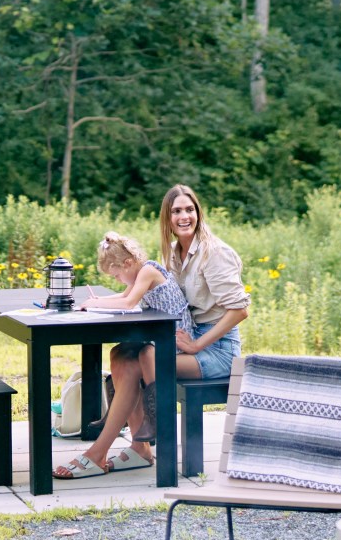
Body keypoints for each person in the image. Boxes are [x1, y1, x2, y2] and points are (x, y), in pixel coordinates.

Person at [53, 232, 193, 478]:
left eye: (116, 275)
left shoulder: (148, 271)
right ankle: (139, 447)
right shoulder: (139, 274)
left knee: (127, 355)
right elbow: (123, 296)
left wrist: (94, 305)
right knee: (119, 352)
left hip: (175, 340)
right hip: (160, 336)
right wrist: (95, 301)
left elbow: (128, 303)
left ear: (128, 263)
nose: (118, 280)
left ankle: (147, 423)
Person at [159, 184, 249, 380]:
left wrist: (196, 345)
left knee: (150, 360)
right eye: (176, 211)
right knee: (124, 355)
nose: (184, 216)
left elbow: (240, 311)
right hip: (186, 335)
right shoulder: (171, 254)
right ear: (167, 218)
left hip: (219, 349)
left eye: (190, 210)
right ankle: (116, 413)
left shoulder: (214, 252)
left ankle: (158, 411)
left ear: (198, 214)